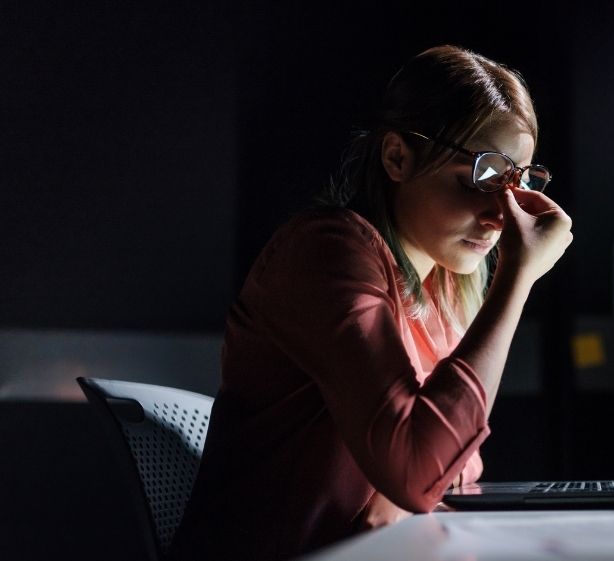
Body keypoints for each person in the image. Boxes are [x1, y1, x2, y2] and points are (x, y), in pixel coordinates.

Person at [168, 45, 572, 561]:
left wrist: (412, 484)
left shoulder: (443, 290)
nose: (502, 214)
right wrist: (518, 276)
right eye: (484, 176)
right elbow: (420, 474)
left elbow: (453, 475)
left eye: (517, 183)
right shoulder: (326, 252)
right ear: (397, 157)